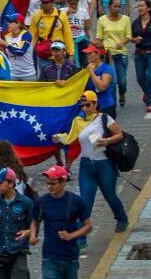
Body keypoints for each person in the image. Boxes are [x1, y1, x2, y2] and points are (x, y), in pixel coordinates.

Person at [29, 165, 92, 279]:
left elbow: (88, 225)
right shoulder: (41, 202)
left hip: (70, 257)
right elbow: (35, 221)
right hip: (50, 257)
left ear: (63, 182)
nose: (49, 187)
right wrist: (33, 235)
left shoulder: (76, 202)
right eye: (47, 183)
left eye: (53, 183)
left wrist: (72, 236)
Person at [54, 91, 129, 232]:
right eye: (82, 106)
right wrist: (58, 138)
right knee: (85, 202)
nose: (84, 108)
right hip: (86, 165)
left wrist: (106, 140)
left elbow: (119, 134)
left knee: (110, 195)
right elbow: (70, 139)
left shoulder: (104, 119)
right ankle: (81, 236)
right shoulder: (78, 121)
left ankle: (121, 218)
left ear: (95, 104)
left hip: (104, 164)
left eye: (87, 105)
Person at [30, 0, 74, 72]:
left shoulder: (62, 15)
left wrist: (70, 54)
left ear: (52, 2)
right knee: (45, 81)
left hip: (60, 56)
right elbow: (33, 36)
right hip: (44, 57)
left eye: (46, 2)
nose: (43, 5)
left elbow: (67, 35)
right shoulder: (36, 16)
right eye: (42, 2)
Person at [131, 0, 151, 113]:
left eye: (142, 6)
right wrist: (135, 40)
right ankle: (147, 92)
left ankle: (149, 103)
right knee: (140, 78)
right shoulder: (135, 23)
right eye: (139, 6)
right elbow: (131, 37)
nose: (140, 8)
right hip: (139, 53)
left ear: (148, 8)